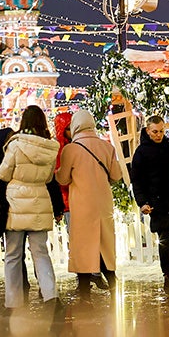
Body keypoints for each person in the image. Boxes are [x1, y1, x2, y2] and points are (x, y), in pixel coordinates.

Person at [0, 106, 62, 310]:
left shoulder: (15, 144)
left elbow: (3, 174)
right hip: (39, 200)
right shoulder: (50, 147)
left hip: (16, 203)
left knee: (13, 255)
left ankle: (13, 302)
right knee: (40, 252)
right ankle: (51, 296)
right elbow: (49, 177)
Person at [55, 108, 122, 299]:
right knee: (105, 242)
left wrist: (58, 172)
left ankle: (84, 289)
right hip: (103, 202)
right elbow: (116, 175)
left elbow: (63, 179)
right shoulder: (106, 147)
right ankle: (112, 279)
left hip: (82, 203)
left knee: (83, 244)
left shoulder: (71, 149)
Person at [129, 115, 169, 292]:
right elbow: (137, 181)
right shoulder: (141, 152)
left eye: (161, 131)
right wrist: (142, 202)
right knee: (164, 239)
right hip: (156, 201)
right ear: (148, 131)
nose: (158, 135)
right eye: (155, 131)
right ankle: (168, 274)